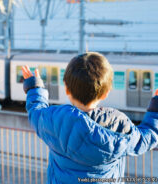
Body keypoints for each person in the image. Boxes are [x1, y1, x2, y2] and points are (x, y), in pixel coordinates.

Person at [22, 52, 158, 184]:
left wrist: (34, 88)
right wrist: (155, 110)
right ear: (106, 93)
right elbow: (148, 137)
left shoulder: (53, 120)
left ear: (67, 89)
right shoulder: (119, 125)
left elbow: (36, 109)